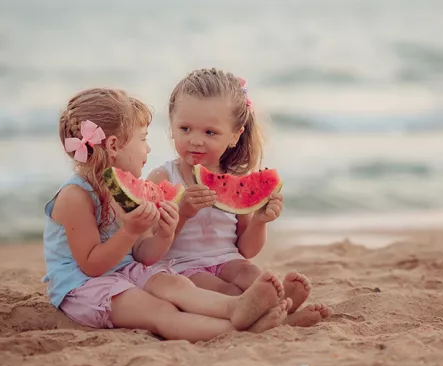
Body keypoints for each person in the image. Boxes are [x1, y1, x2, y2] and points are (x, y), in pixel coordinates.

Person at [41, 87, 290, 343]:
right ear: (114, 145)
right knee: (161, 311)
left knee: (178, 286)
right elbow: (92, 266)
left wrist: (165, 232)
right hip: (83, 286)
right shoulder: (75, 196)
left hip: (126, 270)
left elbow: (145, 255)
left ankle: (234, 307)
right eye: (143, 139)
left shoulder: (124, 189)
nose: (148, 149)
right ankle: (238, 331)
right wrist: (129, 231)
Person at [147, 69, 332, 327]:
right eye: (185, 128)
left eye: (210, 132)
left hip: (229, 260)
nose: (195, 140)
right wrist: (183, 212)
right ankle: (280, 317)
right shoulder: (162, 177)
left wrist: (259, 221)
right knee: (227, 292)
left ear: (235, 135)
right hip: (182, 267)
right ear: (171, 127)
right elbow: (149, 249)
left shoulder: (237, 180)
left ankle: (278, 310)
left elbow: (246, 249)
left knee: (253, 274)